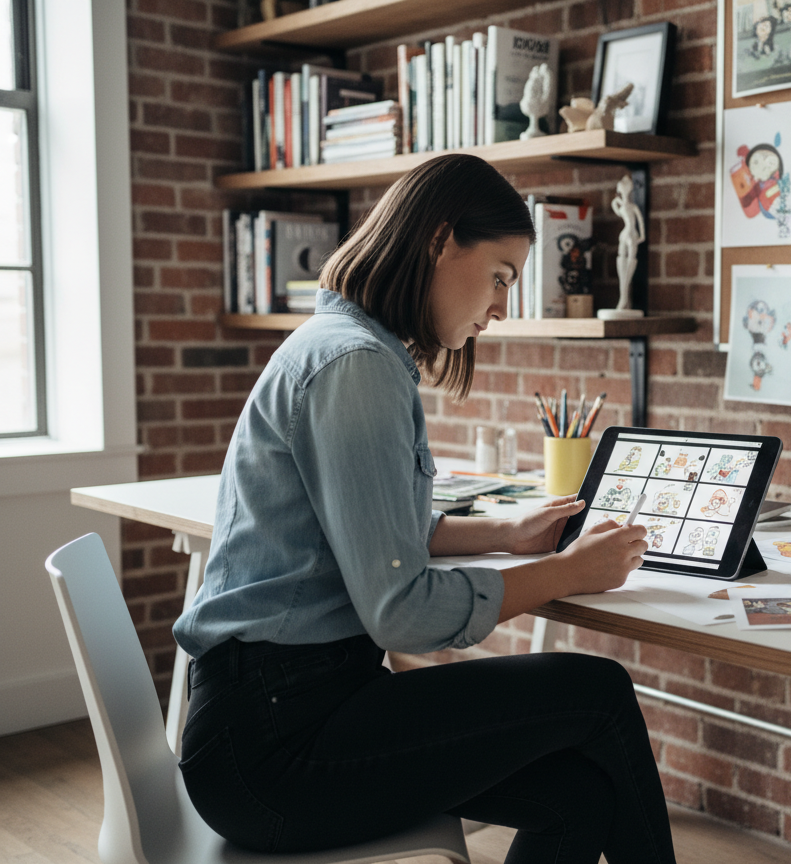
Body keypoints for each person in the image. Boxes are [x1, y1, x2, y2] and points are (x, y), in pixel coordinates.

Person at [172, 154, 676, 864]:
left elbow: (373, 532)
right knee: (598, 689)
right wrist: (566, 572)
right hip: (277, 750)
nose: (502, 307)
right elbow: (398, 609)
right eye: (500, 276)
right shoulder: (355, 365)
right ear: (441, 241)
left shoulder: (347, 349)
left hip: (284, 718)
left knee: (578, 795)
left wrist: (505, 532)